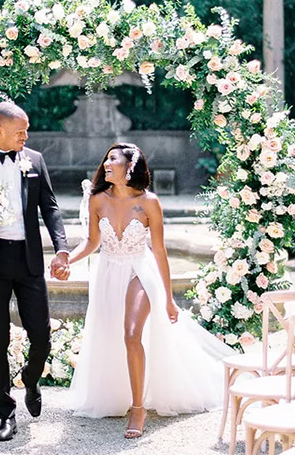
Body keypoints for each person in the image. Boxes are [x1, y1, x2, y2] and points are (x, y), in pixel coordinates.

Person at [66, 143, 233, 438]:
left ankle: (139, 408)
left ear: (130, 166)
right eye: (106, 159)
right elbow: (92, 242)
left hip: (139, 271)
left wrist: (168, 299)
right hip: (107, 272)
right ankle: (123, 392)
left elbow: (159, 252)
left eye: (113, 159)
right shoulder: (96, 200)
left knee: (132, 334)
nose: (106, 163)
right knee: (111, 335)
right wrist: (67, 257)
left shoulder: (149, 203)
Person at [0, 102, 70, 442]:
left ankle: (32, 379)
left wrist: (61, 246)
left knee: (42, 335)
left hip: (29, 258)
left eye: (26, 130)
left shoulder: (34, 160)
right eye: (20, 130)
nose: (26, 135)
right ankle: (5, 412)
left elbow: (48, 206)